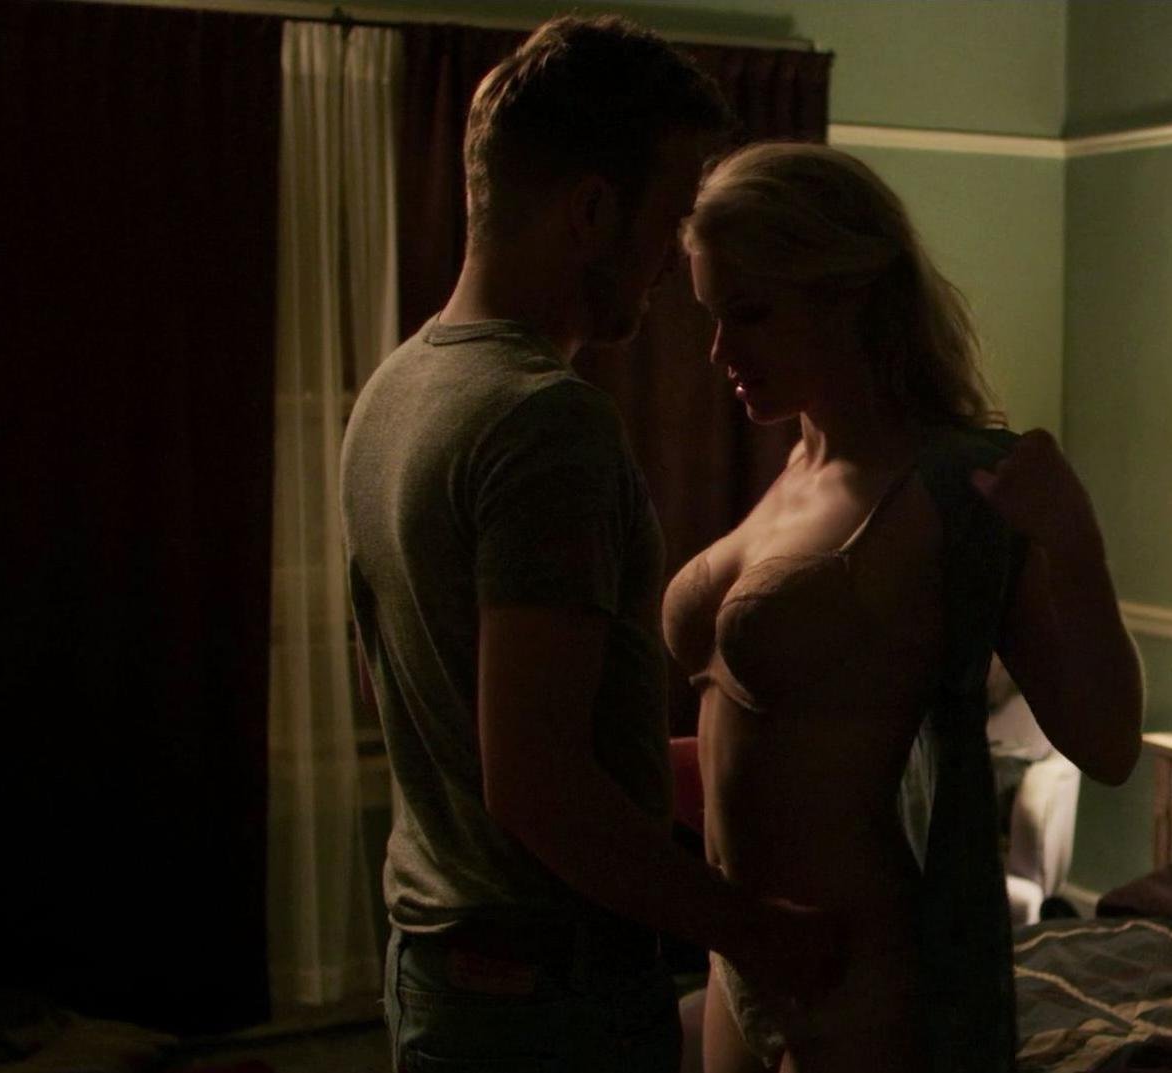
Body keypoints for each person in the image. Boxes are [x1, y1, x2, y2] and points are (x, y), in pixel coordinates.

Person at [341, 20, 838, 1073]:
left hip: (440, 965)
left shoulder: (395, 388)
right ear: (593, 211)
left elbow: (441, 712)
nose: (671, 262)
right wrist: (760, 932)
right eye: (668, 218)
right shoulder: (543, 421)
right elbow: (535, 783)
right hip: (542, 998)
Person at [666, 142, 1145, 1073]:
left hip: (859, 969)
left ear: (848, 293)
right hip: (744, 953)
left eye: (750, 314)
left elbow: (1110, 743)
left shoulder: (958, 485)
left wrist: (1079, 548)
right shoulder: (797, 464)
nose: (720, 350)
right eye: (713, 316)